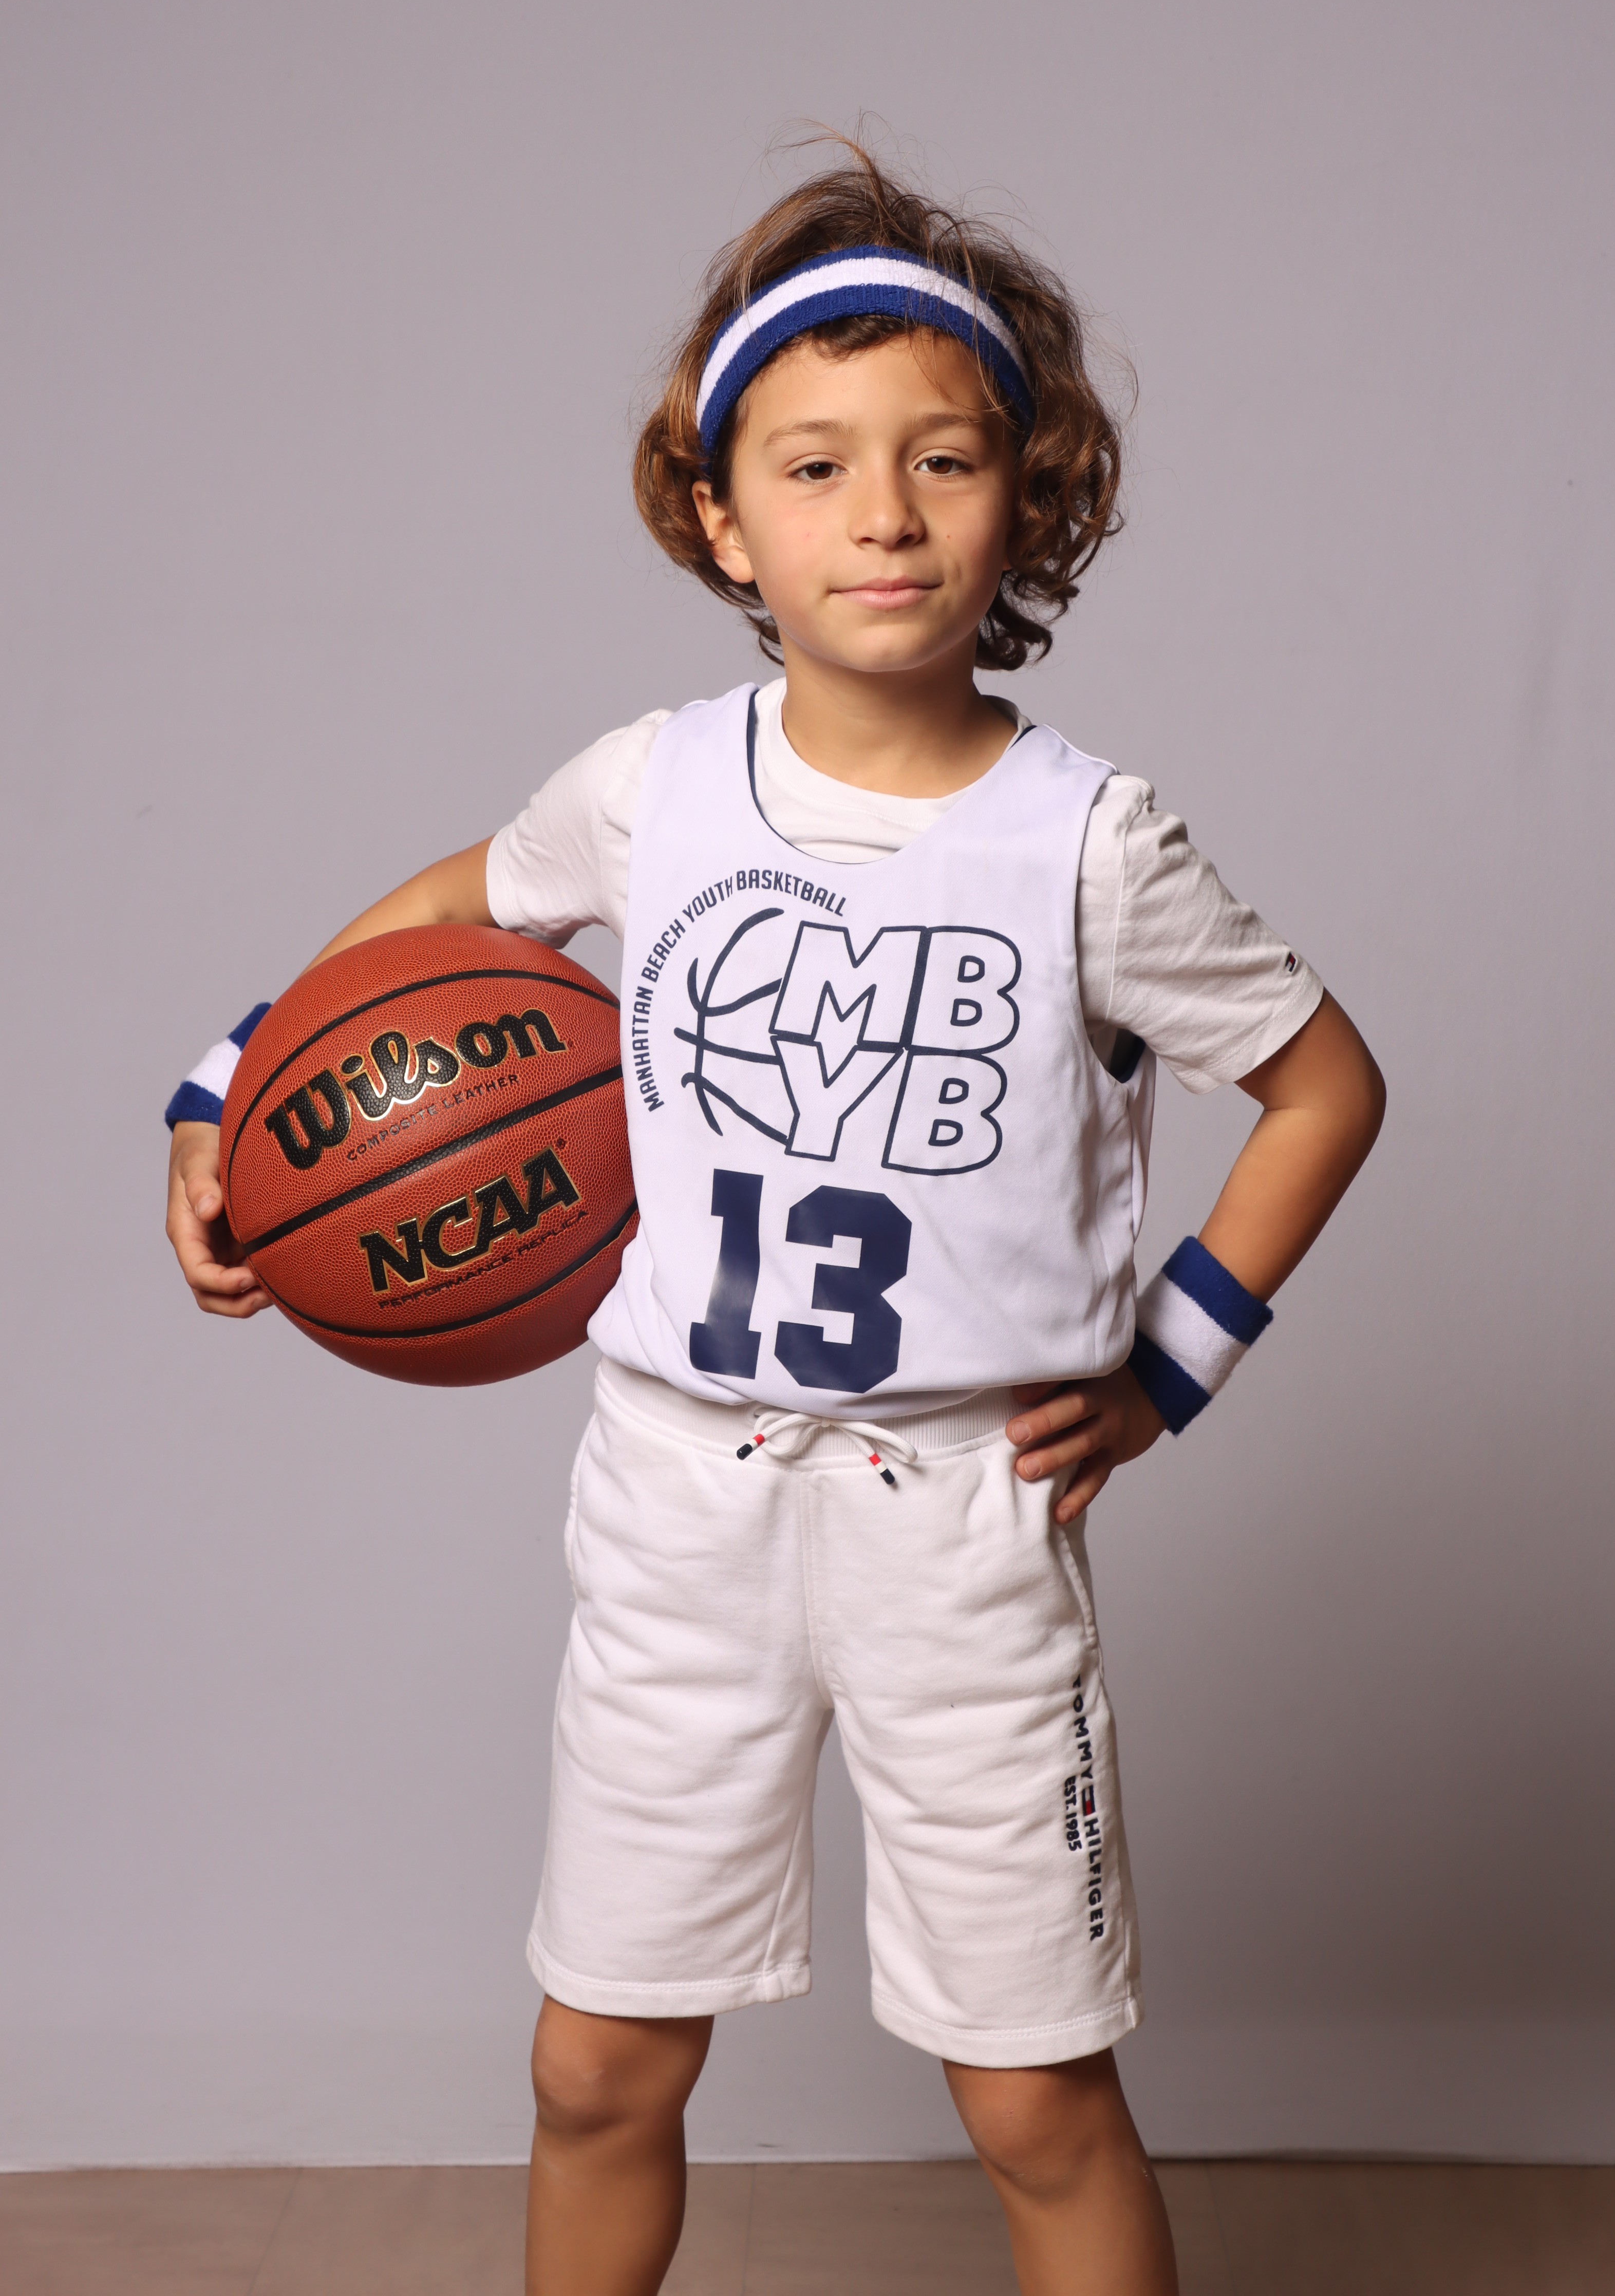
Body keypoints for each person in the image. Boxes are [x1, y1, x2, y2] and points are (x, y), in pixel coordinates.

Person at [164, 148, 1384, 2296]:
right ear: (723, 520)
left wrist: (1165, 1375)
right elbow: (448, 915)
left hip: (962, 1522)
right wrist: (227, 1099)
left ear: (1027, 498)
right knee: (592, 2067)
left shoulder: (1088, 843)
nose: (883, 515)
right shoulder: (653, 790)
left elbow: (1322, 1086)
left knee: (1034, 2099)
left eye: (943, 459)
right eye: (814, 467)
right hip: (680, 1508)